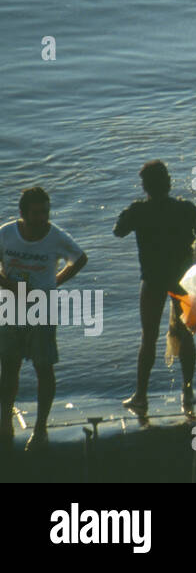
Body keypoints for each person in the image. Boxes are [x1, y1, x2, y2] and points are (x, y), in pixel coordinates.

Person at [113, 160, 196, 418]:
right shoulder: (184, 209)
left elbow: (118, 231)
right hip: (183, 282)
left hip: (152, 281)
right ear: (169, 184)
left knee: (148, 338)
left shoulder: (139, 211)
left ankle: (141, 396)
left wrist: (129, 211)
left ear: (145, 187)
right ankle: (187, 391)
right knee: (186, 336)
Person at [0, 186, 89, 451]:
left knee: (43, 368)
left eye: (46, 212)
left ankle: (40, 429)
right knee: (9, 367)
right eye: (37, 213)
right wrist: (9, 285)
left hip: (42, 307)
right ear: (23, 213)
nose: (43, 218)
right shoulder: (6, 233)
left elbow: (80, 258)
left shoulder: (56, 237)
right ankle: (5, 422)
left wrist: (55, 283)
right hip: (10, 306)